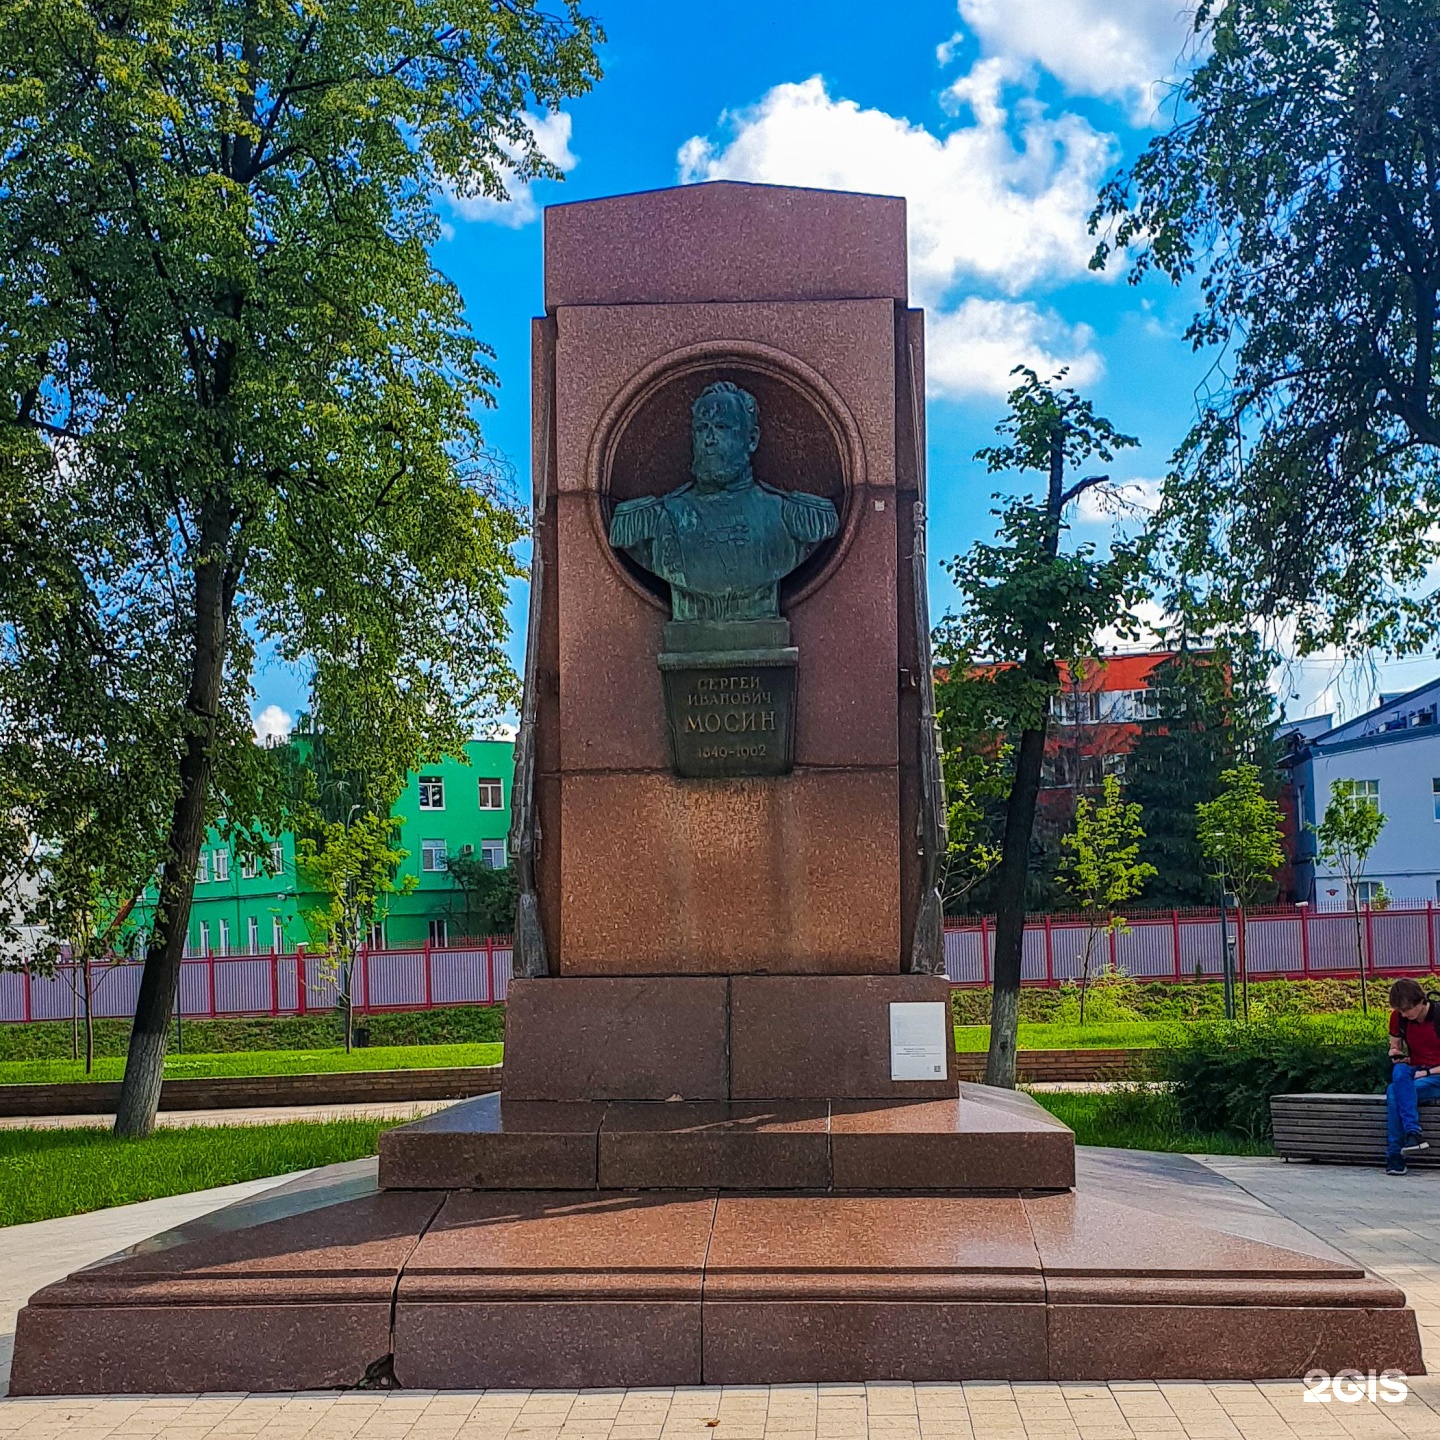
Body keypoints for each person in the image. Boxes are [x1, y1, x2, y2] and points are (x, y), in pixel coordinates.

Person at [1385, 977, 1440, 1175]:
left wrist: (1425, 1072)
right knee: (1399, 1072)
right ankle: (1412, 1133)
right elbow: (1395, 1045)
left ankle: (1395, 1154)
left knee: (1394, 1092)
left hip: (1436, 1075)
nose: (1404, 1014)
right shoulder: (1398, 1017)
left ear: (1420, 1002)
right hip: (1417, 1070)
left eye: (1407, 1009)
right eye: (1400, 1010)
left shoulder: (1438, 1016)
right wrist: (1395, 1053)